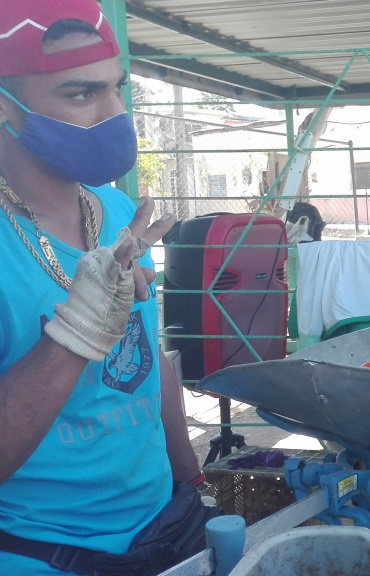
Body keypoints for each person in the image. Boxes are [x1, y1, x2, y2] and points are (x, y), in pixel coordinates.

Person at [0, 1, 206, 574]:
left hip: (167, 527)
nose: (116, 116)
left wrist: (190, 479)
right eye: (80, 94)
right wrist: (74, 333)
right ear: (4, 107)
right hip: (43, 550)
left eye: (119, 90)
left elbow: (147, 362)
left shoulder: (117, 210)